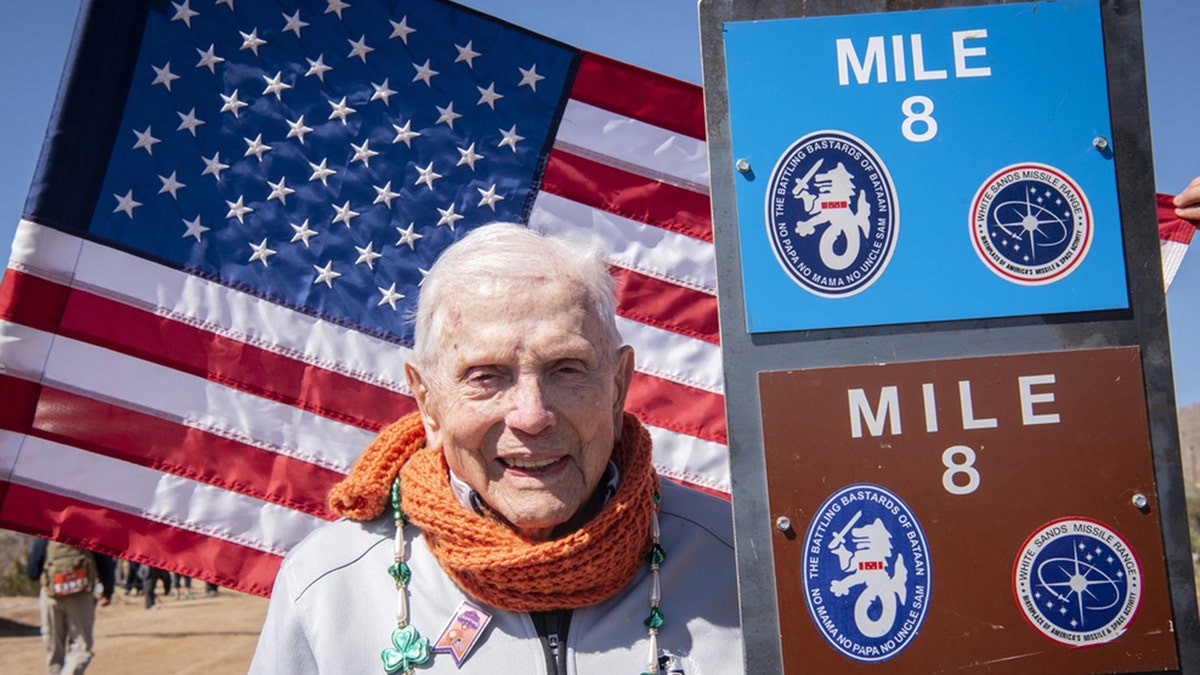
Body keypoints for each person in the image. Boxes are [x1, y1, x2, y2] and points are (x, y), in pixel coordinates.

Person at [250, 224, 742, 674]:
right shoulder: (327, 587)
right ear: (429, 402)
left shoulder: (741, 568)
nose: (531, 415)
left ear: (617, 387)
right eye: (486, 376)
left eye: (566, 368)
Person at [25, 538, 116, 675]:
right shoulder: (89, 535)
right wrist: (107, 592)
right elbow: (106, 565)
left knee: (54, 652)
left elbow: (32, 573)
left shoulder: (47, 535)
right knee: (81, 649)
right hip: (81, 598)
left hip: (51, 597)